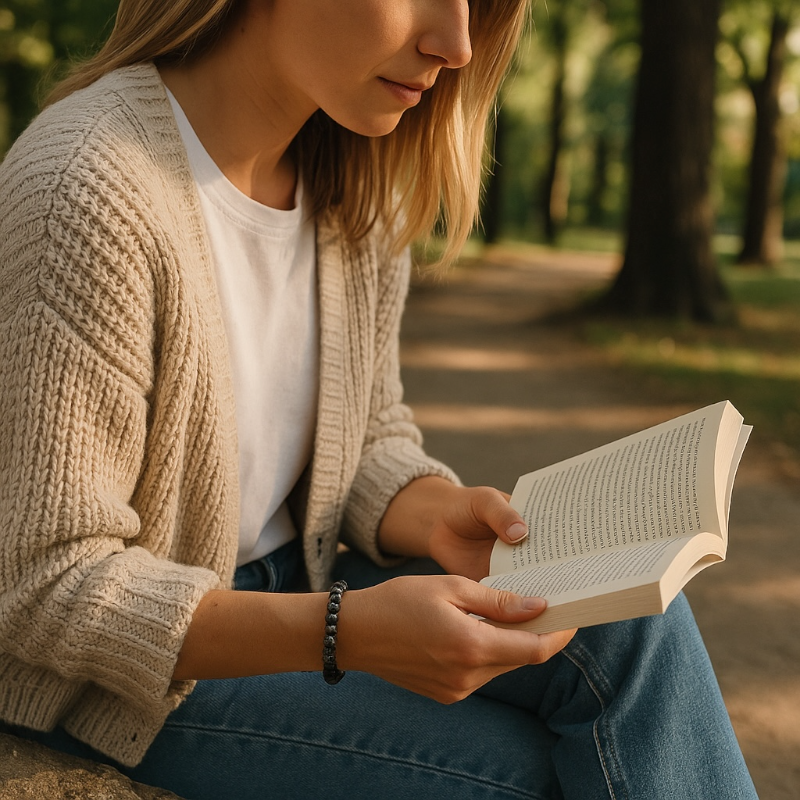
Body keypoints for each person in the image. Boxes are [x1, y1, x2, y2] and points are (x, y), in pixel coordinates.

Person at [0, 1, 758, 798]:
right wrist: (342, 631)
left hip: (298, 583)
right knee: (544, 776)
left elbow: (365, 438)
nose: (457, 45)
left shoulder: (350, 185)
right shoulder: (87, 185)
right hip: (123, 682)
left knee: (633, 619)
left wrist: (439, 513)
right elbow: (44, 581)